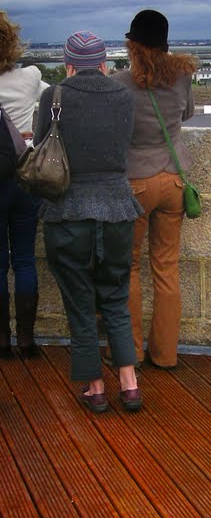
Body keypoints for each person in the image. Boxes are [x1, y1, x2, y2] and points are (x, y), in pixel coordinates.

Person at [35, 31, 143, 411]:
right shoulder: (124, 97)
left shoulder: (54, 96)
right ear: (102, 64)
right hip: (117, 209)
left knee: (80, 301)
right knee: (115, 296)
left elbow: (41, 145)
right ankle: (129, 384)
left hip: (67, 212)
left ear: (67, 65)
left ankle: (96, 387)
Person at [116, 9, 196, 368]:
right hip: (175, 180)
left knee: (128, 267)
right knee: (166, 267)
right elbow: (187, 114)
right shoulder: (181, 77)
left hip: (136, 184)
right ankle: (165, 355)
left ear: (132, 45)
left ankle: (129, 351)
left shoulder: (120, 84)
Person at [0, 10, 48, 357]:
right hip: (24, 175)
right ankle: (27, 340)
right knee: (25, 259)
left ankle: (2, 340)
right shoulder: (30, 76)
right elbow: (51, 95)